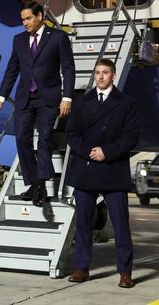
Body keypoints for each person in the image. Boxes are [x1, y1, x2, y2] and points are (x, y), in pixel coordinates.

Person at [0, 1, 75, 207]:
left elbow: (68, 68)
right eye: (22, 20)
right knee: (21, 138)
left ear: (39, 16)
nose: (25, 23)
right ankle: (35, 182)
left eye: (28, 18)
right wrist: (1, 96)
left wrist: (67, 97)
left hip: (48, 96)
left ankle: (40, 185)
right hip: (25, 97)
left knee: (45, 138)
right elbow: (12, 70)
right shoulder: (18, 40)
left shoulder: (57, 37)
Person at [64, 58, 139, 288]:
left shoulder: (126, 103)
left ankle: (125, 272)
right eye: (97, 72)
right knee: (84, 224)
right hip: (86, 169)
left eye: (105, 72)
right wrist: (89, 152)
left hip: (112, 169)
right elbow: (72, 134)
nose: (100, 76)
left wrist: (106, 152)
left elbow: (131, 136)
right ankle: (81, 268)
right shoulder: (82, 102)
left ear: (113, 75)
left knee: (121, 226)